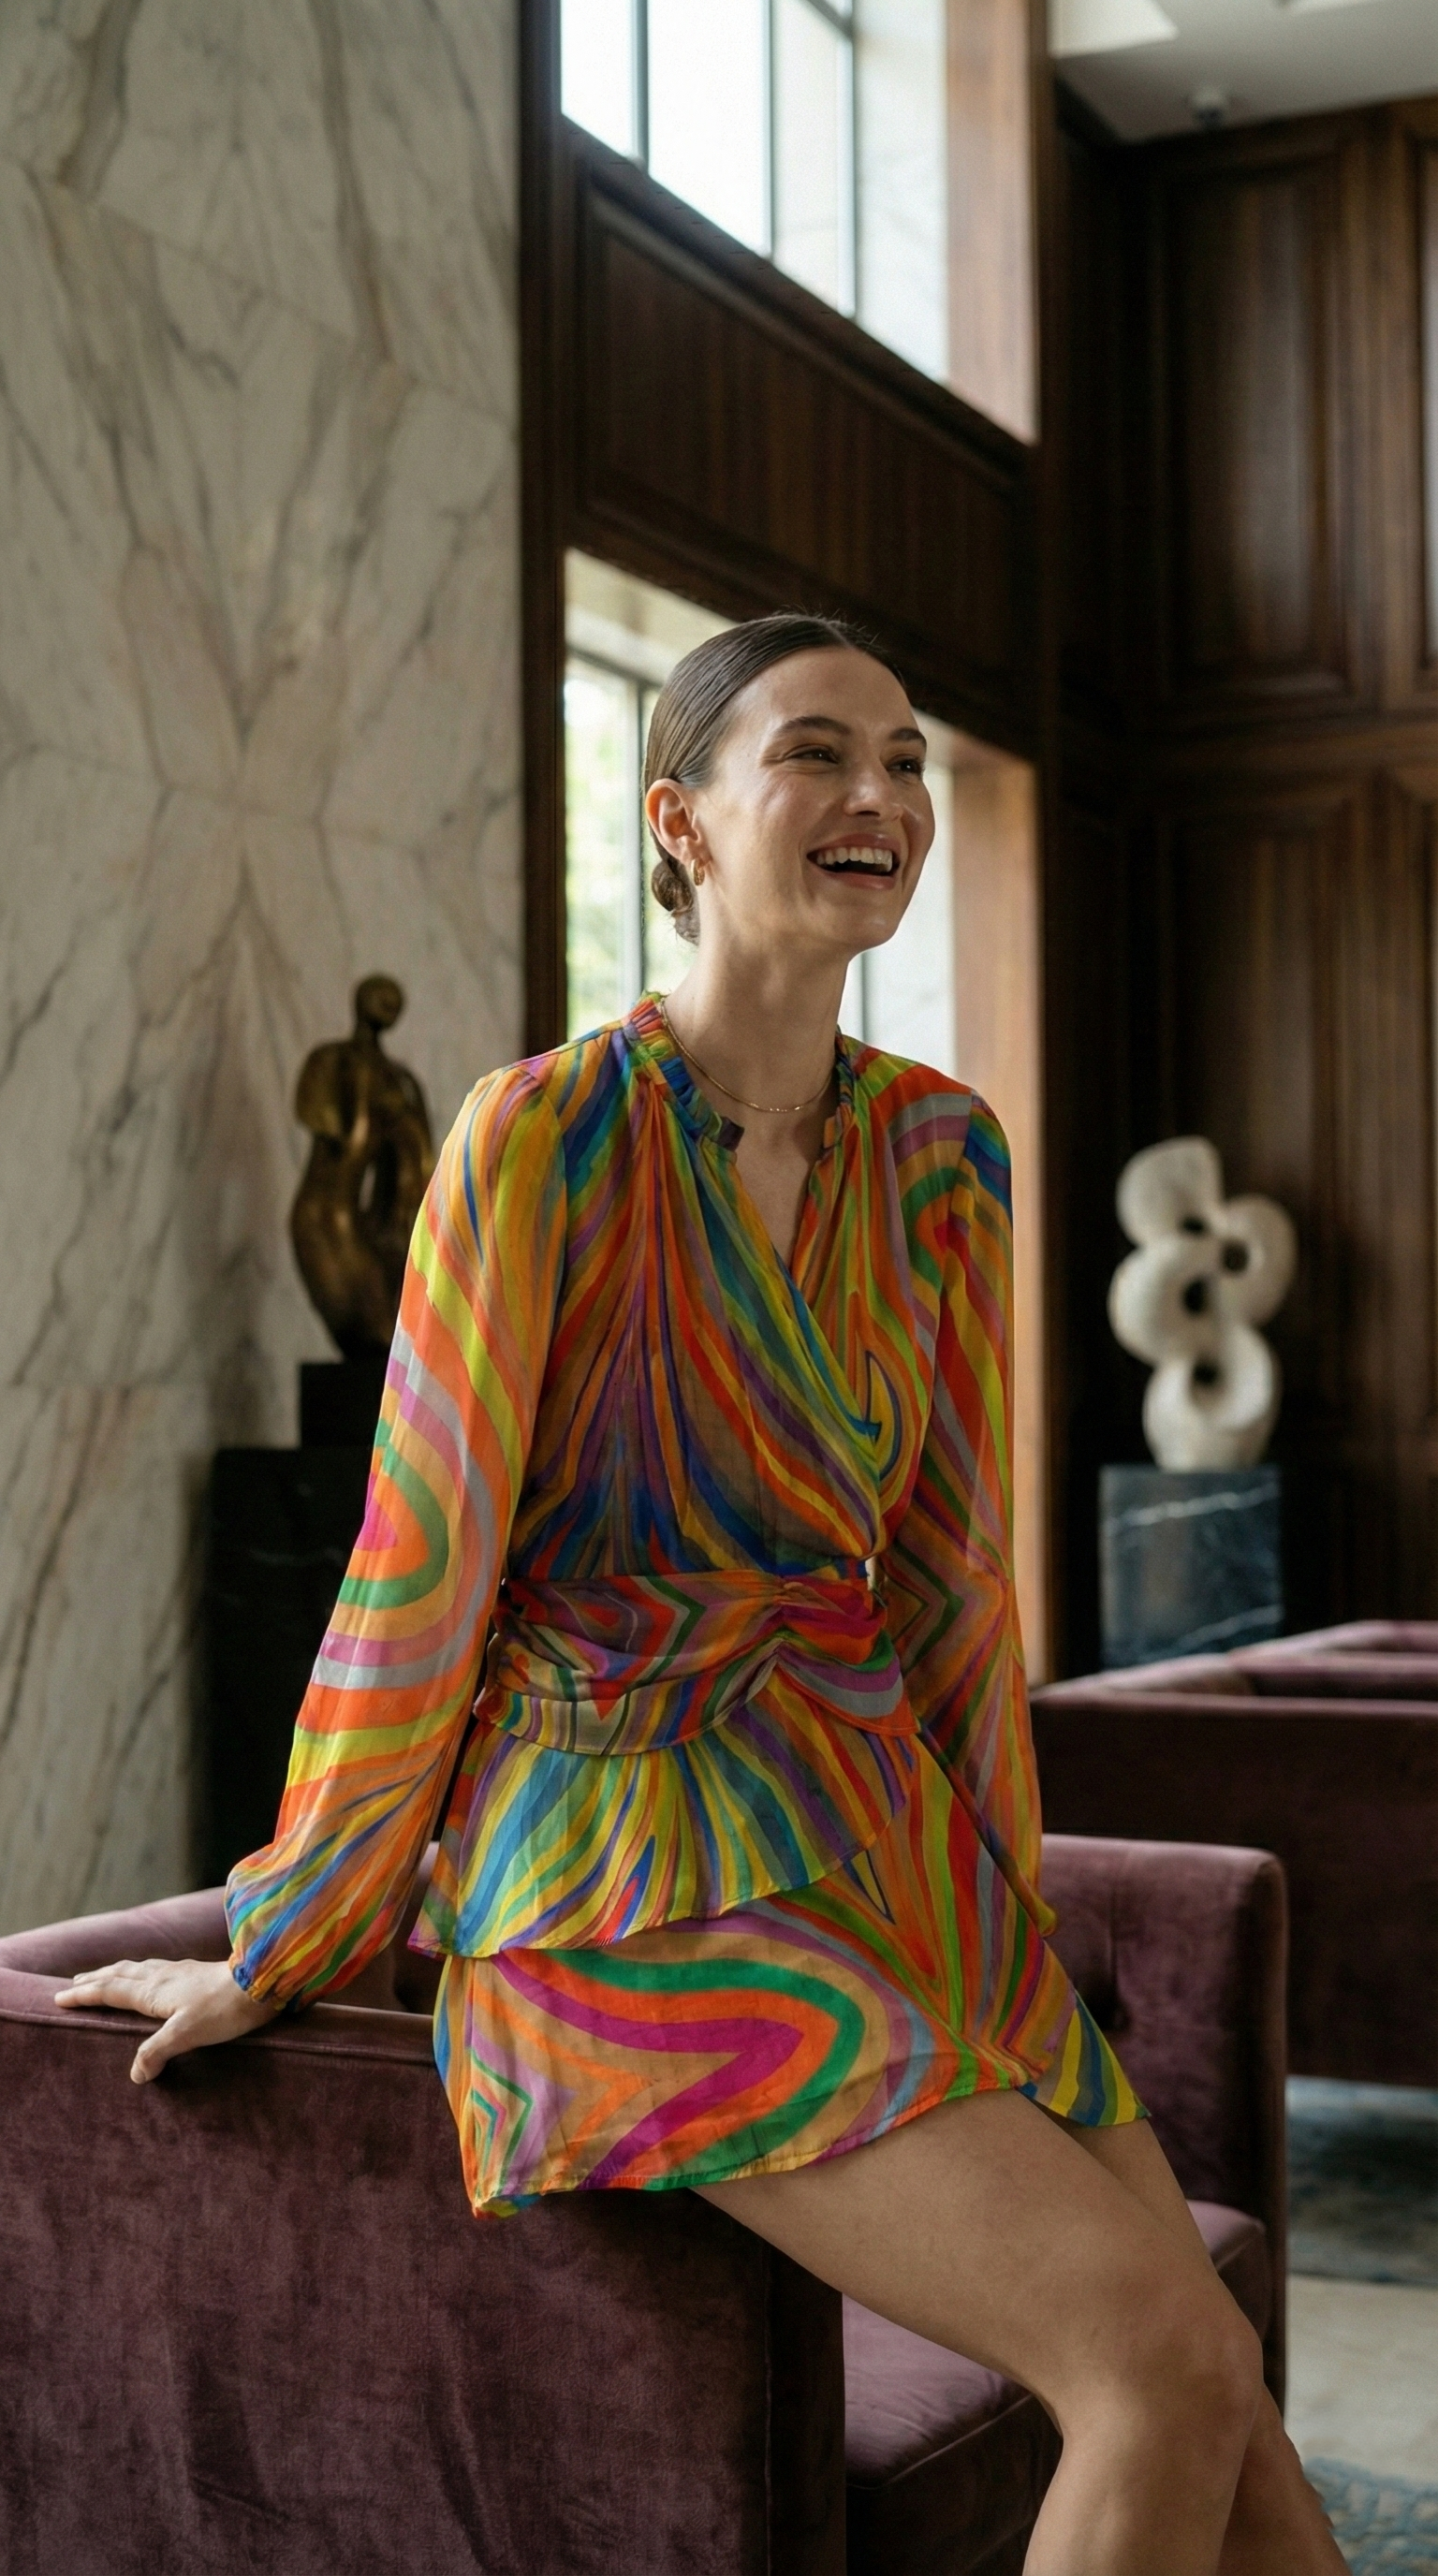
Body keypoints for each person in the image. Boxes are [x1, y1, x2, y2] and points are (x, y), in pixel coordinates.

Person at [59, 615, 1343, 2576]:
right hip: (614, 1871)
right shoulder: (538, 1138)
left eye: (905, 761)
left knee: (1222, 2391)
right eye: (816, 753)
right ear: (677, 821)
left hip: (875, 1837)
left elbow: (950, 1584)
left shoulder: (944, 1154)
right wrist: (292, 1929)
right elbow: (419, 1568)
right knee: (1159, 2370)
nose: (880, 795)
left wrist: (997, 1926)